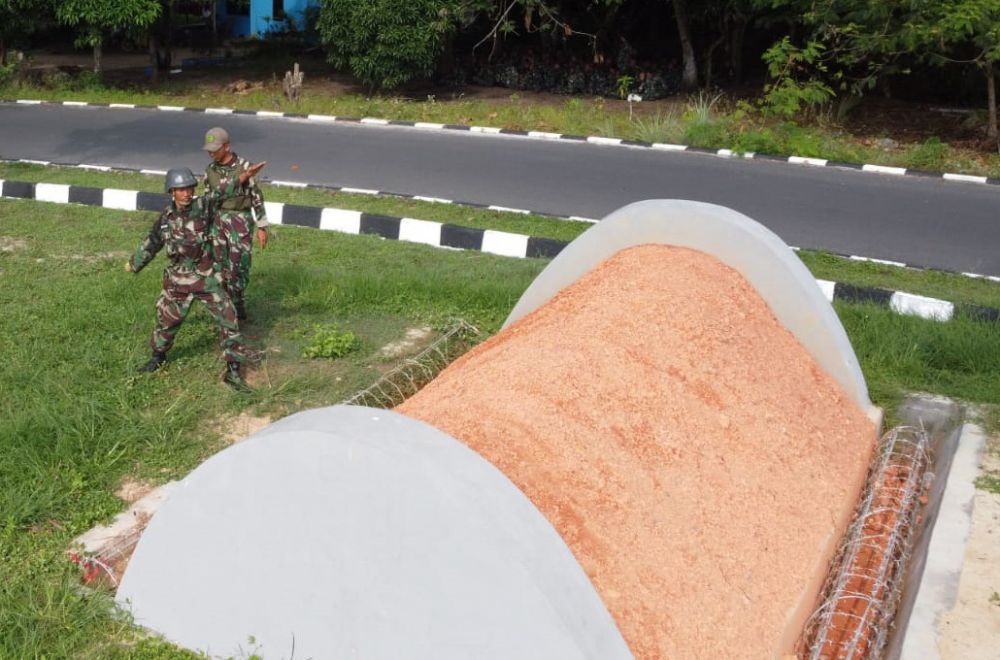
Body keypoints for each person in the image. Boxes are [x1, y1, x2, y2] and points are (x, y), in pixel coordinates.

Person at [126, 165, 264, 390]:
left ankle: (233, 370)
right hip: (178, 280)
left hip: (207, 276)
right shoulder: (165, 219)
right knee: (166, 322)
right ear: (172, 191)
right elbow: (151, 243)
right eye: (181, 189)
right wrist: (134, 264)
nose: (187, 193)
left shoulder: (203, 206)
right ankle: (158, 357)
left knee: (229, 318)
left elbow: (221, 191)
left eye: (189, 188)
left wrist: (244, 177)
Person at [201, 126, 270, 322]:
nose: (210, 152)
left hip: (240, 221)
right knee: (219, 265)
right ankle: (227, 308)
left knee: (239, 264)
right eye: (209, 149)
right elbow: (208, 199)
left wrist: (262, 226)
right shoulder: (210, 171)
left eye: (215, 148)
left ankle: (238, 300)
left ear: (227, 147)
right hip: (217, 222)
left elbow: (256, 197)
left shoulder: (244, 166)